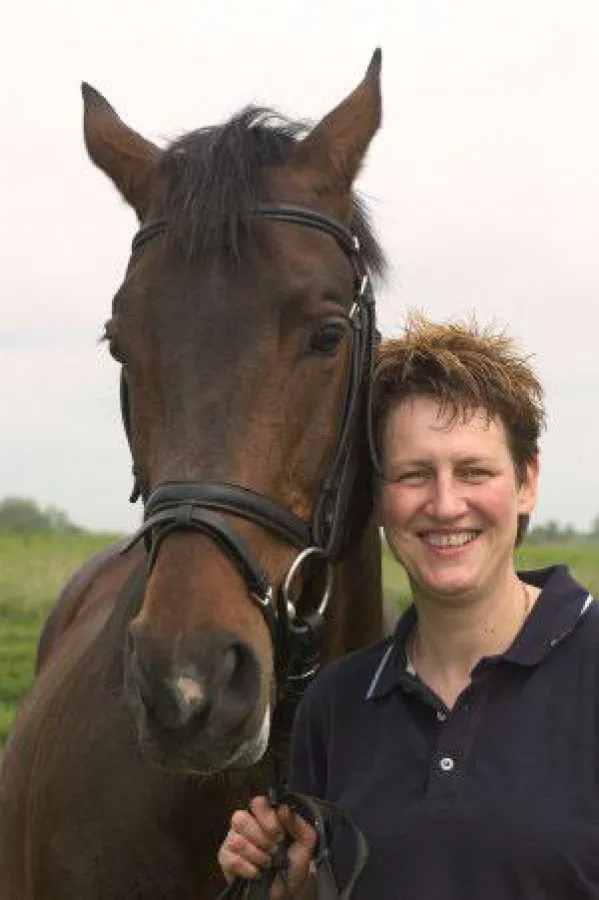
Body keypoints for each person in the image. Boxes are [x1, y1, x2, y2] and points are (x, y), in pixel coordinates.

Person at [217, 313, 597, 899]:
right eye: (415, 474)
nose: (445, 505)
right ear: (378, 498)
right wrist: (291, 887)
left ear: (526, 482)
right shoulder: (337, 704)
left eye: (474, 471)